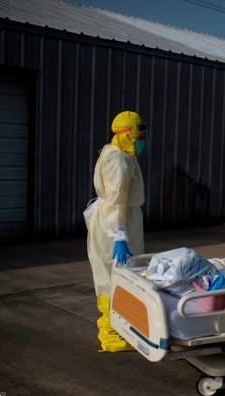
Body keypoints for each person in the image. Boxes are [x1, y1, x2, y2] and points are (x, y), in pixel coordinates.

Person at [85, 110, 147, 352]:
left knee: (125, 274)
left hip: (122, 219)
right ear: (125, 135)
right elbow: (115, 200)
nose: (141, 140)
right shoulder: (118, 160)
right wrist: (119, 236)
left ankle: (122, 325)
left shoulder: (119, 154)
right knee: (109, 276)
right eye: (137, 135)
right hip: (116, 224)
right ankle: (109, 334)